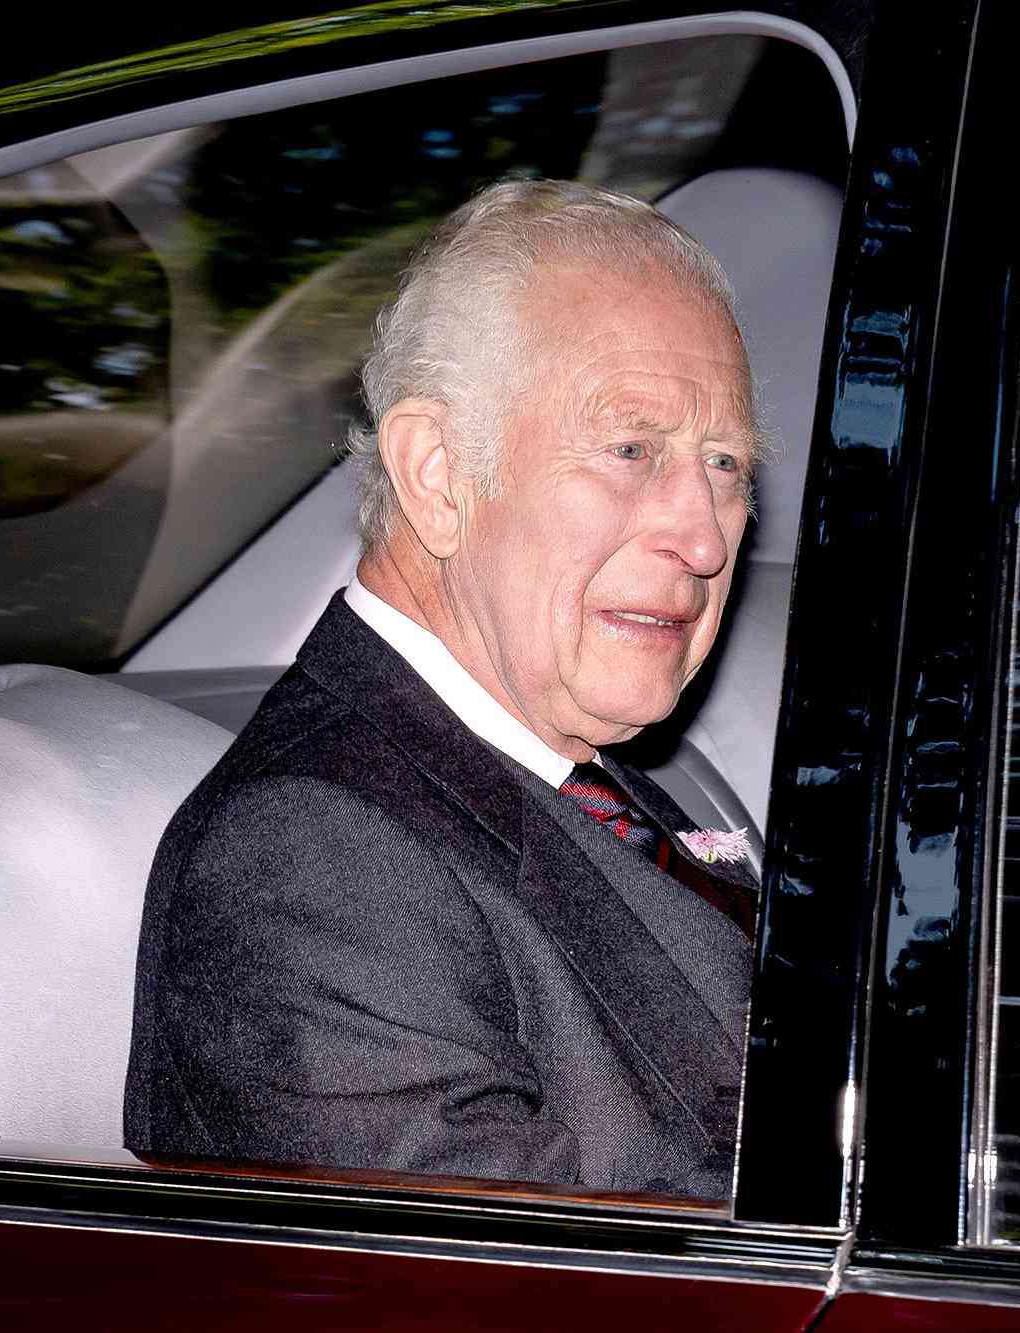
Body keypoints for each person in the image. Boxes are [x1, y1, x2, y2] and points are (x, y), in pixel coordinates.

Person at [124, 180, 761, 1198]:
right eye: (631, 449)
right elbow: (513, 1292)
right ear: (434, 473)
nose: (702, 533)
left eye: (725, 464)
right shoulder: (307, 859)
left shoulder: (588, 773)